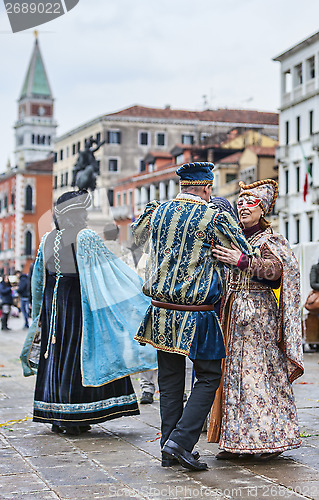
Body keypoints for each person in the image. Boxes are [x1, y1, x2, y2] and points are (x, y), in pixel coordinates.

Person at [131, 162, 258, 471]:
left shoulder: (158, 211)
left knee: (170, 380)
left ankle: (167, 448)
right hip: (197, 313)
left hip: (161, 311)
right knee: (209, 375)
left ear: (182, 186)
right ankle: (180, 441)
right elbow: (243, 254)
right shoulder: (214, 216)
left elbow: (136, 235)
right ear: (206, 189)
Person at [20, 190, 156, 435]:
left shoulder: (47, 239)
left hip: (54, 306)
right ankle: (76, 417)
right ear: (78, 214)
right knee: (77, 354)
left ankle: (56, 415)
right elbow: (110, 271)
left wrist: (39, 312)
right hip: (77, 304)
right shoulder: (86, 237)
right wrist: (139, 290)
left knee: (57, 353)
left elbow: (37, 282)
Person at [209, 179, 304, 460]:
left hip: (259, 315)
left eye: (249, 203)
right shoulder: (236, 237)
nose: (243, 208)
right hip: (233, 313)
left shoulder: (269, 240)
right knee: (234, 375)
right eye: (239, 203)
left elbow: (275, 271)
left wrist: (244, 261)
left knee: (258, 375)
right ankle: (237, 441)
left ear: (262, 209)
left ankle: (269, 439)